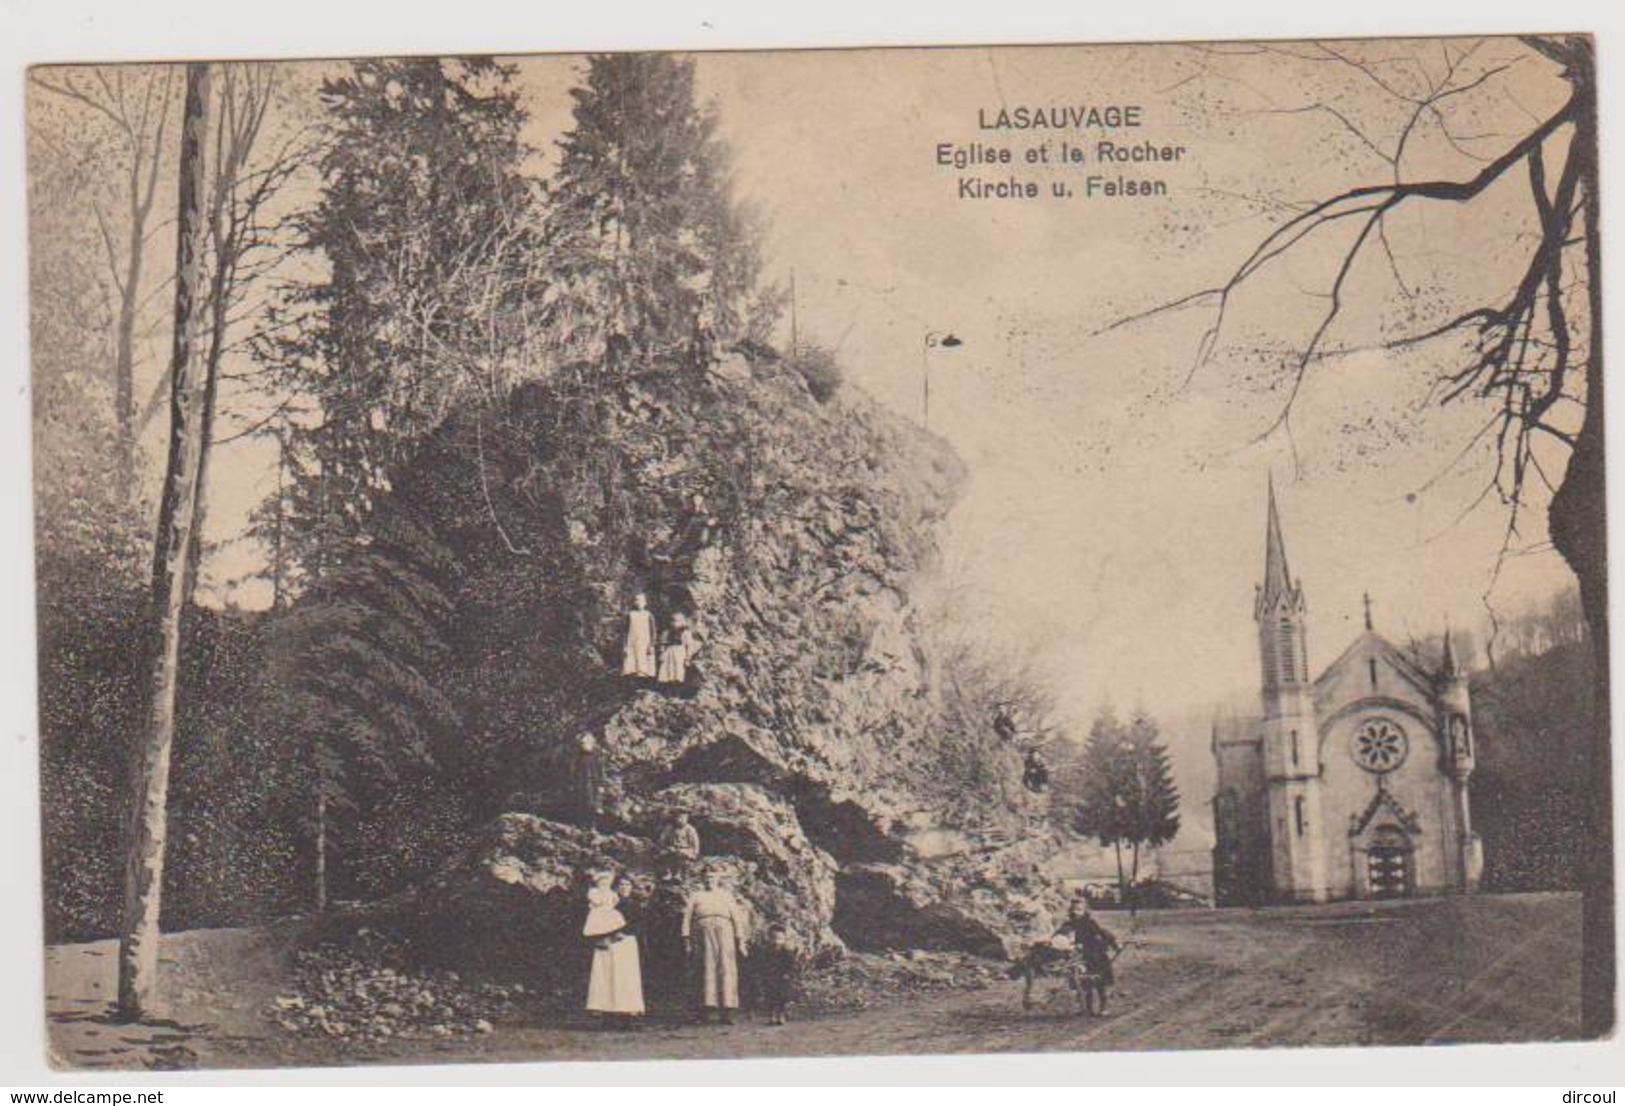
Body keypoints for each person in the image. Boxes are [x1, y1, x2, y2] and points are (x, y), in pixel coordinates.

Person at [682, 867, 750, 1024]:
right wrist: (686, 939)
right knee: (705, 968)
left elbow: (737, 919)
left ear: (718, 879)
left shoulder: (726, 896)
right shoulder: (696, 896)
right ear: (702, 879)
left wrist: (740, 941)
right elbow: (686, 918)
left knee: (726, 968)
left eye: (712, 877)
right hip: (702, 933)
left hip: (725, 932)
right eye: (706, 877)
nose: (709, 880)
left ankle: (728, 1011)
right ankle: (705, 1010)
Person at [583, 870, 645, 1026]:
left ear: (632, 887)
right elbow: (596, 921)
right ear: (615, 887)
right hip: (607, 942)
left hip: (626, 943)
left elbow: (640, 925)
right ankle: (607, 1013)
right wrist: (603, 937)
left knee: (625, 979)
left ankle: (626, 1015)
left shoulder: (635, 904)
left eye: (628, 884)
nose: (624, 888)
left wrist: (623, 933)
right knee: (606, 977)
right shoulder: (607, 902)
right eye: (621, 885)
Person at [1057, 893, 1120, 1014]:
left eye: (1079, 909)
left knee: (1099, 983)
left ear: (1085, 911)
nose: (1076, 912)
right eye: (1074, 909)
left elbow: (1104, 934)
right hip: (1078, 957)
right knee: (1083, 984)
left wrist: (1113, 945)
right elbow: (1059, 935)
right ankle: (1087, 1008)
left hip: (1094, 955)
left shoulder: (1090, 923)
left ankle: (1103, 1007)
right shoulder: (1068, 924)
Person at [757, 924, 803, 1026]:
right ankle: (772, 1015)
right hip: (770, 978)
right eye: (773, 938)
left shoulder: (786, 952)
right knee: (770, 997)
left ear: (784, 939)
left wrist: (787, 973)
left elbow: (791, 965)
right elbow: (762, 964)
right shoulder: (766, 951)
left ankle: (781, 1015)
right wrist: (763, 974)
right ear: (769, 938)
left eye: (779, 938)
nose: (776, 941)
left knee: (782, 997)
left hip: (782, 978)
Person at [657, 613, 699, 687]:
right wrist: (662, 653)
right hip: (669, 653)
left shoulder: (686, 633)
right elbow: (662, 644)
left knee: (678, 671)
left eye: (678, 621)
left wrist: (688, 657)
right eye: (673, 621)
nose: (675, 623)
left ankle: (677, 691)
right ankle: (668, 690)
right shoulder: (667, 632)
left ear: (683, 622)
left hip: (680, 653)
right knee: (668, 671)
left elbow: (689, 646)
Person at [621, 592, 657, 679]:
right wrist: (625, 646)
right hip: (632, 641)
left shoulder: (648, 615)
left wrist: (652, 645)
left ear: (645, 602)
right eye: (636, 600)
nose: (639, 602)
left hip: (644, 641)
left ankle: (643, 681)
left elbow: (653, 631)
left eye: (641, 600)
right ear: (634, 602)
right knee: (632, 664)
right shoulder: (630, 615)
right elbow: (625, 631)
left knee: (644, 664)